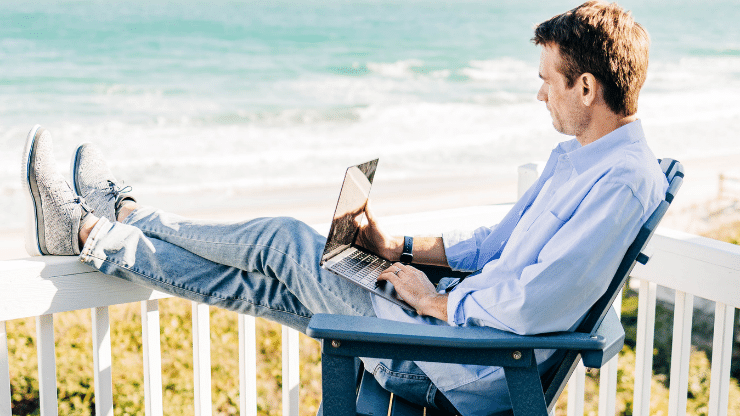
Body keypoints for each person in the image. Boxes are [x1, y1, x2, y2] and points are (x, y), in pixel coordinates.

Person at [21, 1, 668, 415]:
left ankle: (130, 217)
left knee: (281, 242)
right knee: (253, 281)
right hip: (447, 339)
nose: (539, 96)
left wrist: (432, 301)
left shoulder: (619, 184)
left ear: (587, 85)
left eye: (547, 81)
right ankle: (89, 230)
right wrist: (399, 251)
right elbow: (497, 245)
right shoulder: (582, 159)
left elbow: (540, 302)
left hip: (455, 365)